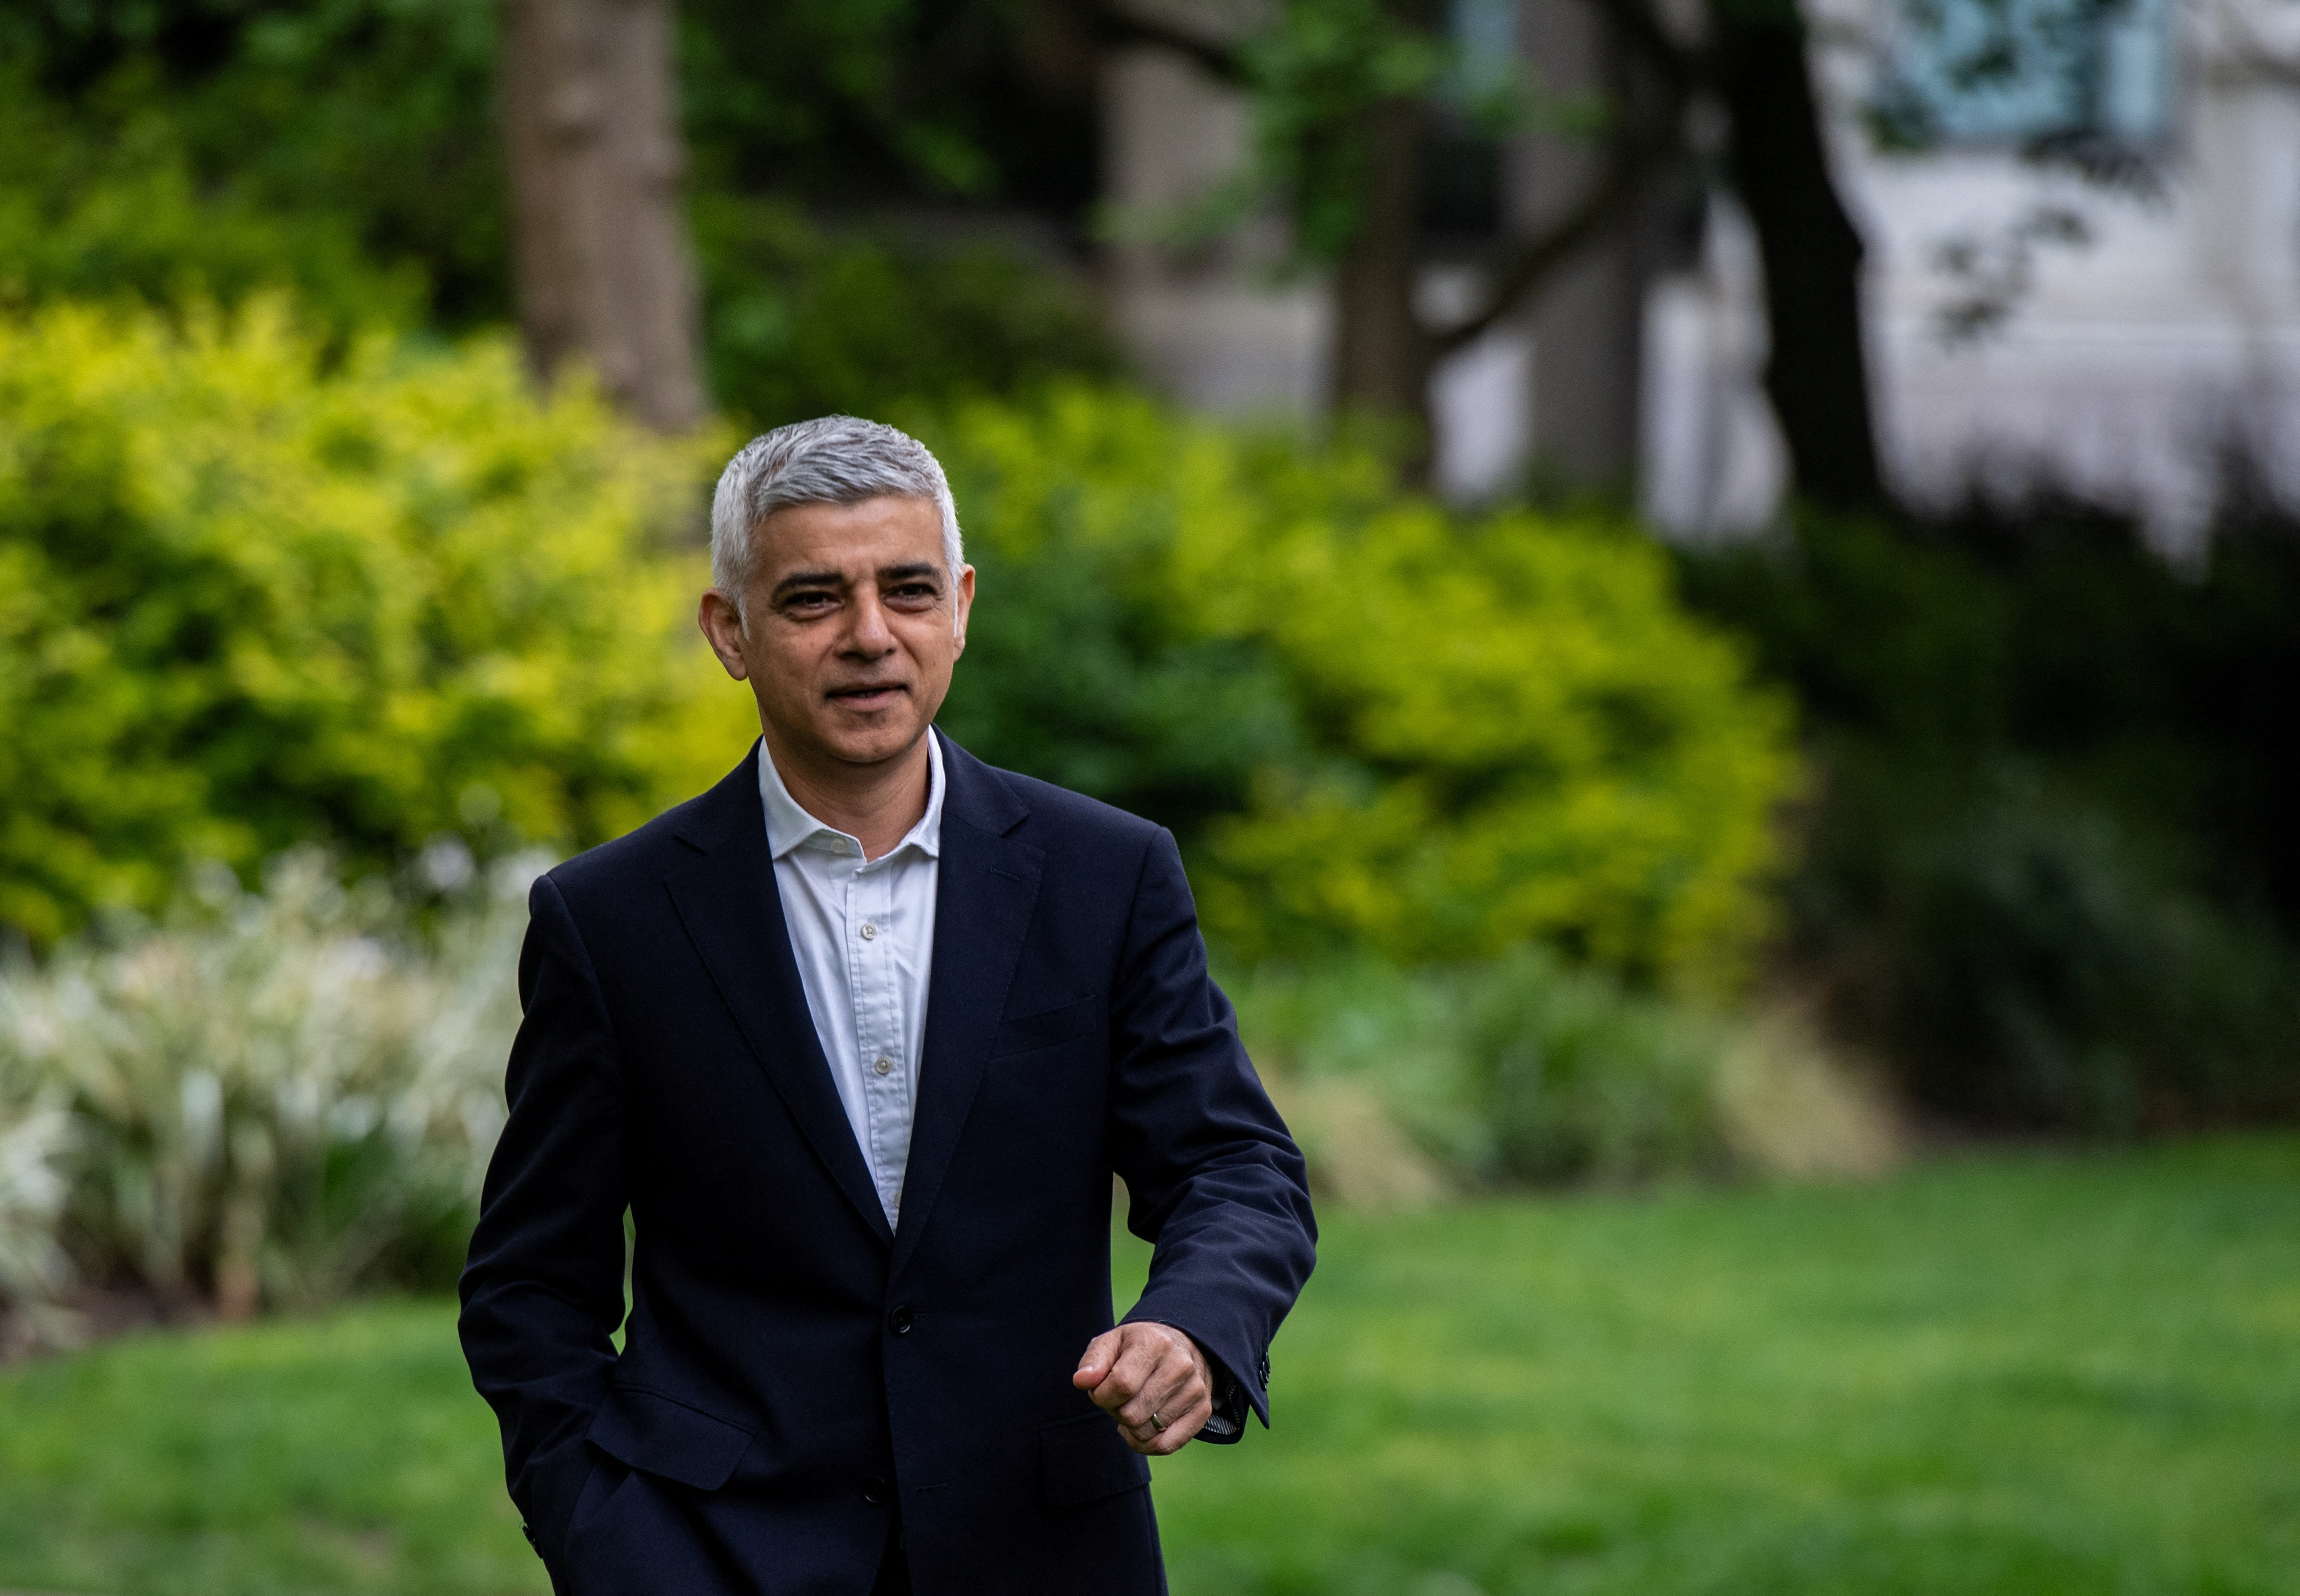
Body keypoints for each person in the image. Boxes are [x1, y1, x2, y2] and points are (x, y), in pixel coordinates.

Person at [458, 416, 1317, 1595]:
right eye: (813, 598)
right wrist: (606, 1537)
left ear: (959, 607)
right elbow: (530, 1286)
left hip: (1046, 1553)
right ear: (730, 631)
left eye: (907, 589)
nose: (870, 636)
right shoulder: (610, 921)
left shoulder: (1105, 876)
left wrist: (1193, 1328)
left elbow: (1233, 1166)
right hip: (713, 1557)